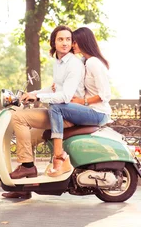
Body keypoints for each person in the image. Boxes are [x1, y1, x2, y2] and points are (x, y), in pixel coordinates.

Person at [2, 25, 84, 199]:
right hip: (58, 112)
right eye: (60, 39)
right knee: (28, 138)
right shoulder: (59, 62)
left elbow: (66, 96)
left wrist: (39, 98)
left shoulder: (73, 64)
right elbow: (54, 88)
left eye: (68, 39)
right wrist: (34, 93)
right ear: (54, 42)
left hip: (68, 114)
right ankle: (24, 186)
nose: (64, 43)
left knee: (18, 118)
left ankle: (27, 166)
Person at [45, 27, 112, 177]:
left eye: (73, 42)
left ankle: (59, 156)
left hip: (98, 112)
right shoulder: (83, 61)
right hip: (91, 109)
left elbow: (105, 94)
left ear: (82, 42)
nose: (70, 45)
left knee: (56, 108)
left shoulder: (93, 62)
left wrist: (84, 102)